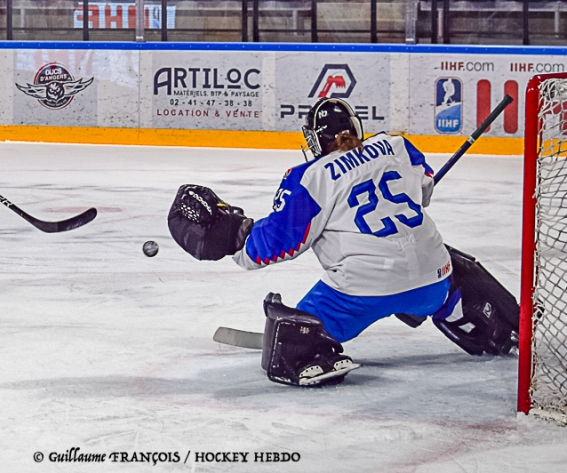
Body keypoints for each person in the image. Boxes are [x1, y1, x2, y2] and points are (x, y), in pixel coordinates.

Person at [168, 97, 519, 387]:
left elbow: (276, 244)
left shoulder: (310, 177)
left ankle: (310, 350)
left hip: (359, 295)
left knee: (292, 335)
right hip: (432, 283)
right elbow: (424, 188)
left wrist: (235, 237)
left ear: (313, 140)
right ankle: (480, 319)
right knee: (443, 268)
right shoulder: (396, 145)